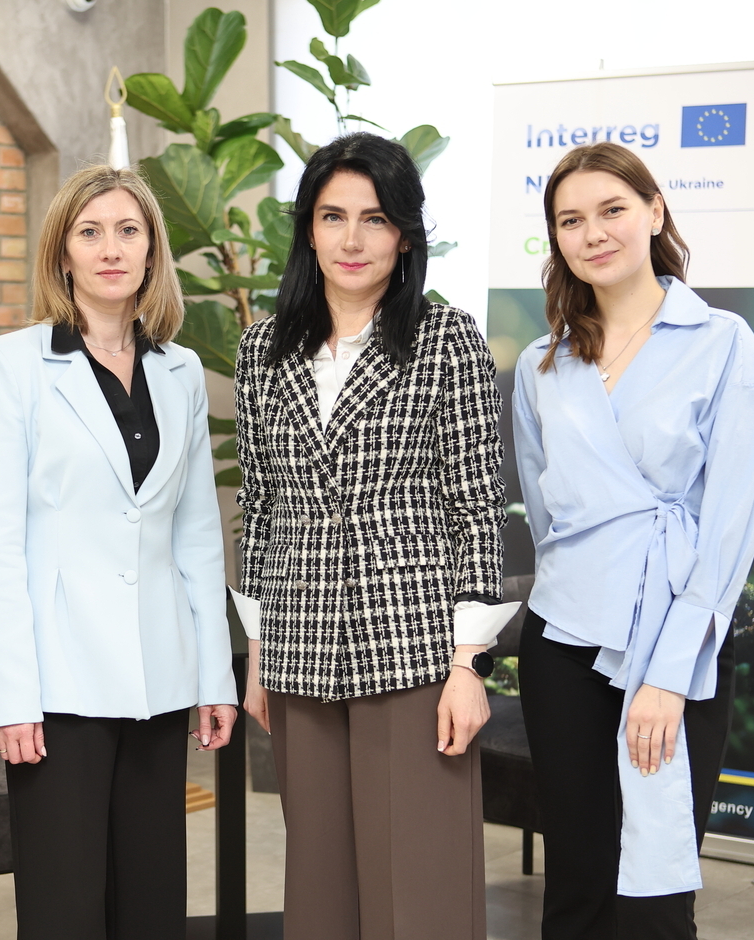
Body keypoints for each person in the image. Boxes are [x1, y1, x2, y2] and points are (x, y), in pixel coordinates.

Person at [235, 132, 510, 940]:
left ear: (407, 236)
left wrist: (468, 664)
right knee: (319, 891)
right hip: (300, 647)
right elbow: (262, 506)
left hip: (415, 649)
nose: (352, 239)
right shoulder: (262, 350)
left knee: (419, 893)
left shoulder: (446, 339)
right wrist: (259, 653)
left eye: (375, 218)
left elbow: (475, 504)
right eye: (333, 217)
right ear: (308, 230)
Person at [0, 164, 239, 940]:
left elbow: (196, 536)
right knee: (66, 909)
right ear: (63, 252)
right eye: (90, 233)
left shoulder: (180, 370)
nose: (110, 249)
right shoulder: (8, 366)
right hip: (57, 684)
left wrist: (213, 675)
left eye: (128, 231)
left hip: (160, 676)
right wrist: (10, 696)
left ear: (152, 251)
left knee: (153, 904)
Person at [512, 141, 754, 939]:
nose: (593, 233)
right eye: (570, 220)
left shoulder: (722, 340)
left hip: (676, 637)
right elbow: (546, 513)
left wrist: (668, 672)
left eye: (612, 210)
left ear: (655, 212)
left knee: (654, 900)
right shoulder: (541, 363)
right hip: (563, 637)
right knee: (577, 882)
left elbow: (732, 520)